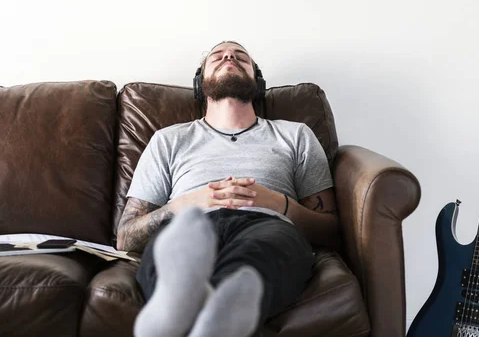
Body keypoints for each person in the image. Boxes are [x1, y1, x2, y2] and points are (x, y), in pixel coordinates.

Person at [117, 40, 340, 337]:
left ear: (256, 82)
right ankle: (203, 313)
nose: (229, 57)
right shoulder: (168, 140)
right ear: (200, 83)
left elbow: (331, 230)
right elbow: (125, 236)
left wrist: (278, 204)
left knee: (259, 254)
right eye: (217, 57)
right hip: (190, 227)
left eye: (240, 57)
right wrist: (181, 206)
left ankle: (185, 318)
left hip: (267, 225)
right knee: (175, 251)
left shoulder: (295, 135)